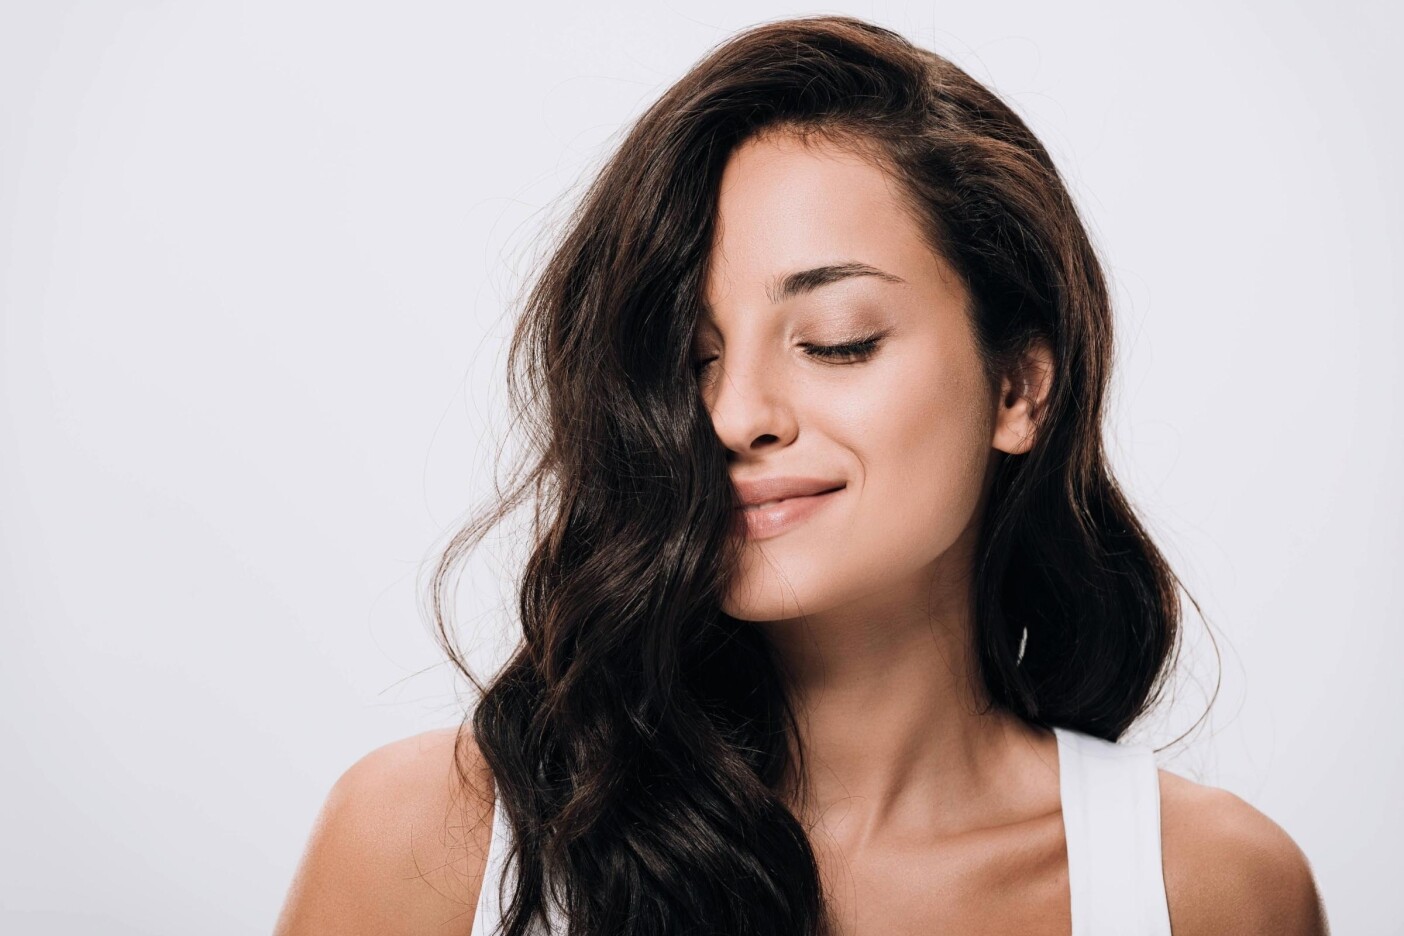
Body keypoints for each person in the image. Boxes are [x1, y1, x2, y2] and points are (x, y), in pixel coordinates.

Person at [274, 15, 1328, 935]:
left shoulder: (1210, 890)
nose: (734, 416)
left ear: (1018, 392)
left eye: (835, 340)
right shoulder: (435, 843)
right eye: (691, 362)